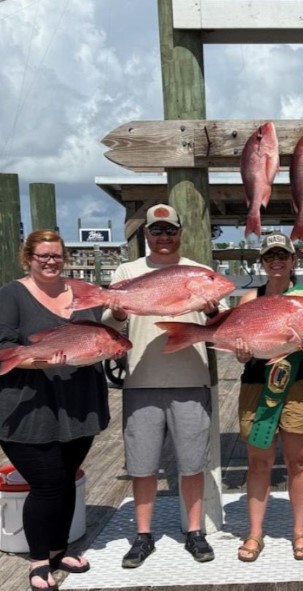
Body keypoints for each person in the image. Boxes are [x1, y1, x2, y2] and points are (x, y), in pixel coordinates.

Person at [0, 230, 108, 591]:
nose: (51, 261)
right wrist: (41, 359)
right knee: (47, 482)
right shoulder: (10, 297)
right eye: (43, 256)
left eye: (57, 255)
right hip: (26, 409)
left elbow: (100, 333)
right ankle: (38, 561)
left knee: (66, 479)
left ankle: (58, 550)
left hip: (79, 407)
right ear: (28, 258)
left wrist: (112, 341)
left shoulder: (82, 294)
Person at [104, 204, 220, 567]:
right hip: (141, 380)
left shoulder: (200, 272)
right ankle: (143, 535)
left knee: (192, 463)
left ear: (181, 233)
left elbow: (220, 322)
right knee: (142, 465)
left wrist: (215, 309)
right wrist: (120, 309)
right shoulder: (128, 271)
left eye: (170, 230)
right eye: (157, 231)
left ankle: (195, 530)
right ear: (146, 235)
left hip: (191, 379)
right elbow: (111, 323)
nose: (164, 236)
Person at [233, 232, 303, 562]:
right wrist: (241, 353)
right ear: (261, 261)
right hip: (258, 385)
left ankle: (299, 531)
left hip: (300, 384)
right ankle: (255, 533)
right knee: (259, 462)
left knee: (298, 461)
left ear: (292, 261)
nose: (276, 261)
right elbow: (240, 352)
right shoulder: (248, 300)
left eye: (282, 255)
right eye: (269, 255)